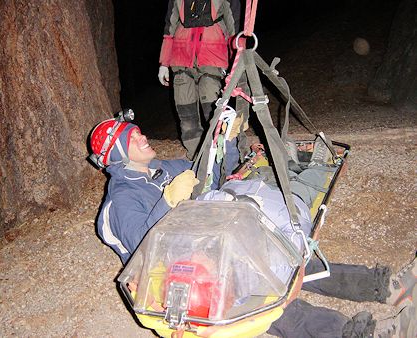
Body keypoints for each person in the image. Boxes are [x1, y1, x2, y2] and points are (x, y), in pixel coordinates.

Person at [89, 117, 416, 337]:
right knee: (271, 303)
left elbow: (215, 174)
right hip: (179, 279)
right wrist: (168, 203)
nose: (143, 136)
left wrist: (229, 142)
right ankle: (364, 333)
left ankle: (386, 287)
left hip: (209, 244)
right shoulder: (121, 199)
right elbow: (140, 247)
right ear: (117, 153)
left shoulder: (162, 168)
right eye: (133, 138)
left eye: (138, 131)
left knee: (285, 260)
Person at [158, 0, 241, 159]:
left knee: (213, 111)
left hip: (213, 59)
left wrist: (235, 67)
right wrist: (164, 63)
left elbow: (234, 29)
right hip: (181, 59)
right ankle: (196, 157)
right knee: (186, 114)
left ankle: (221, 157)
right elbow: (169, 27)